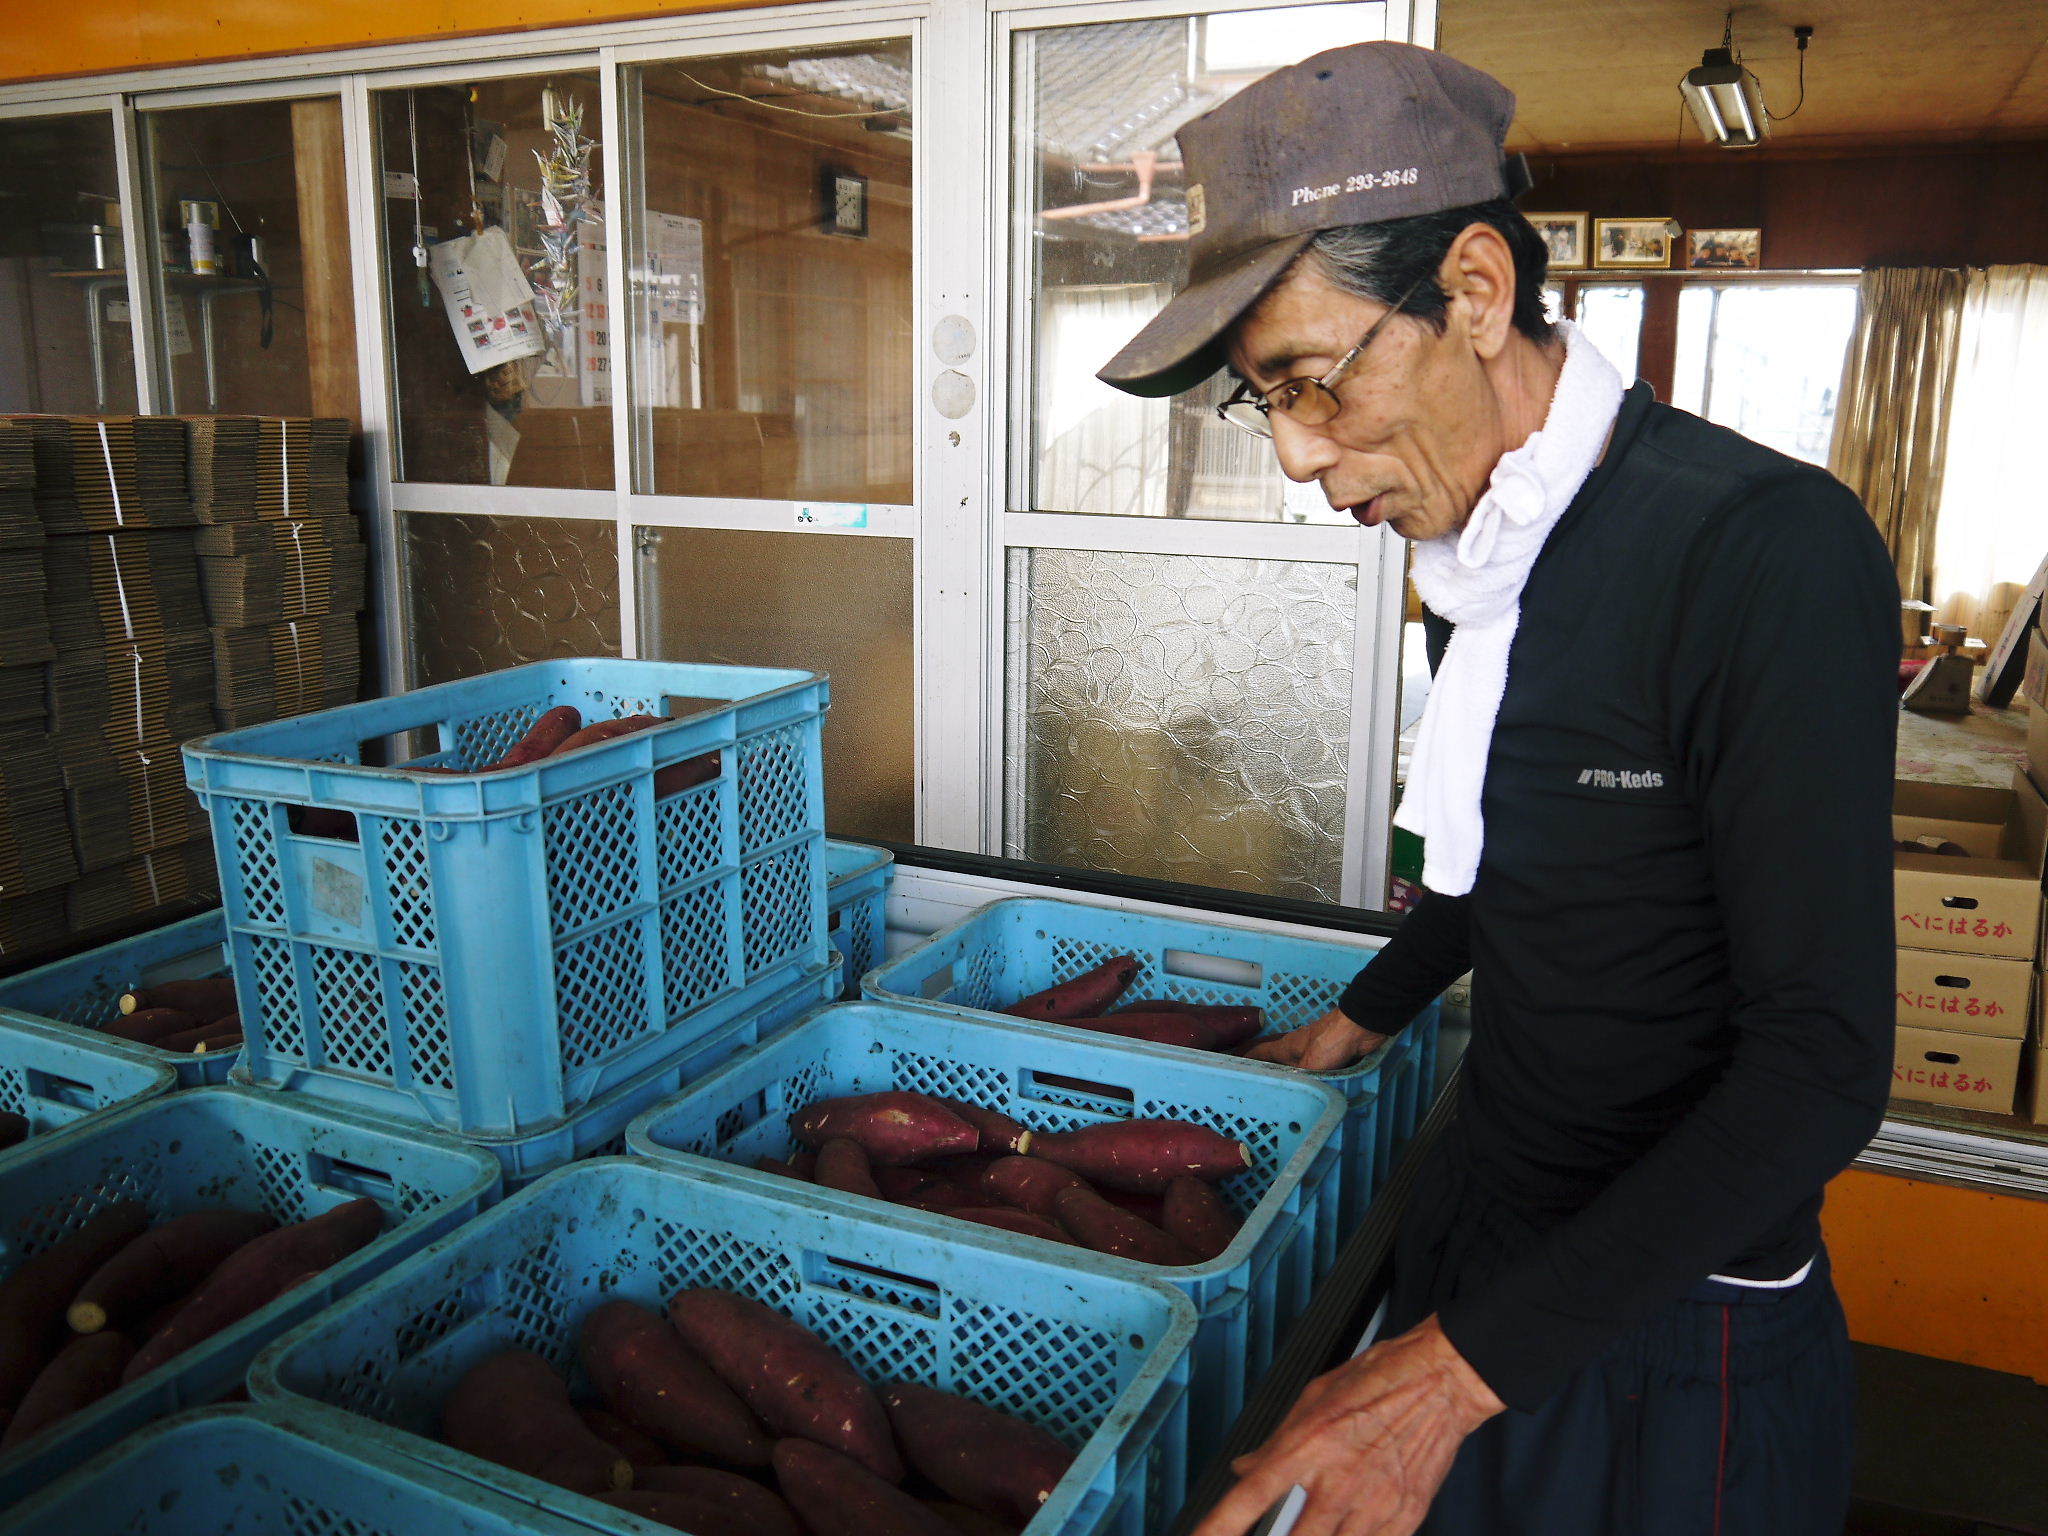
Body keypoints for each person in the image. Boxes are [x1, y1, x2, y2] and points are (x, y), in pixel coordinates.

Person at [1097, 41, 1896, 1536]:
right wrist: (1363, 1015)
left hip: (1667, 1322)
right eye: (1257, 405)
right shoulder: (1491, 559)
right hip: (1487, 1234)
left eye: (1312, 381)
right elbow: (1518, 854)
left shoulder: (1760, 553)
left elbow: (1823, 1065)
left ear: (1472, 290)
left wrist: (1446, 1384)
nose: (1295, 454)